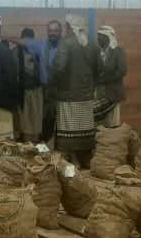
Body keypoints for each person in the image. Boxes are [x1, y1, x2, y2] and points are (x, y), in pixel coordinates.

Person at [51, 14, 100, 165]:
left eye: (66, 26)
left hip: (67, 96)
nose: (65, 30)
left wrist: (54, 80)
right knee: (85, 129)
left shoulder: (66, 43)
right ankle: (85, 159)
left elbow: (59, 68)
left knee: (69, 131)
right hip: (86, 96)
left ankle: (73, 160)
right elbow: (99, 68)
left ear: (71, 28)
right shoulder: (92, 45)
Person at [13, 21, 62, 143]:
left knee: (39, 117)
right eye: (50, 30)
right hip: (36, 89)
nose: (53, 33)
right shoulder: (39, 47)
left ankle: (38, 141)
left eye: (55, 30)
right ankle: (38, 141)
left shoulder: (60, 47)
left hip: (47, 89)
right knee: (39, 117)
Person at [94, 26, 127, 128]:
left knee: (112, 124)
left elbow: (122, 71)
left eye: (101, 36)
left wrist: (104, 80)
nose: (98, 39)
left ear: (108, 37)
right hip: (99, 93)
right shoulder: (97, 52)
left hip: (113, 93)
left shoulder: (118, 51)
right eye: (98, 36)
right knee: (99, 124)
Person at [14, 28, 43, 142]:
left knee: (31, 117)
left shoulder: (16, 51)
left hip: (31, 89)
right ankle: (30, 140)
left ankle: (31, 140)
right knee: (31, 117)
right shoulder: (16, 51)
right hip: (27, 90)